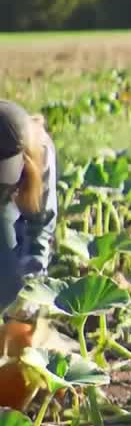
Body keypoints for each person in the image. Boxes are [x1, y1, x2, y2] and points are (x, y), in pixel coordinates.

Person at [0, 101, 56, 313]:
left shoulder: (40, 151)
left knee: (15, 287)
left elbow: (40, 225)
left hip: (16, 209)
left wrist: (30, 286)